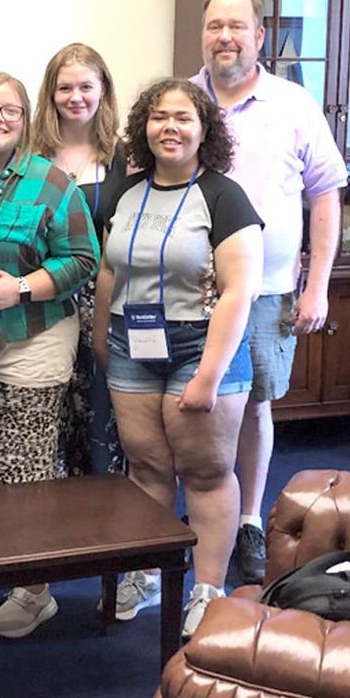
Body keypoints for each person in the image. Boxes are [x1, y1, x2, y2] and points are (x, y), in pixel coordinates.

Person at [93, 78, 263, 638]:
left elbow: (240, 290)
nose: (170, 127)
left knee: (206, 472)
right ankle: (148, 574)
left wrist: (210, 374)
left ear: (204, 130)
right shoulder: (129, 191)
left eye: (184, 118)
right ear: (144, 126)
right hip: (131, 345)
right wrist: (101, 338)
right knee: (145, 469)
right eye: (160, 117)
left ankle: (208, 590)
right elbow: (111, 272)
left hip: (200, 347)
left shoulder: (223, 195)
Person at [192, 0, 347, 584]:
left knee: (254, 403)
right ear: (201, 35)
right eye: (213, 26)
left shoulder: (294, 104)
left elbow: (325, 194)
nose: (224, 36)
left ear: (259, 36)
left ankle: (250, 519)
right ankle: (199, 517)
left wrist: (319, 285)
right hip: (188, 290)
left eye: (236, 26)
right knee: (189, 407)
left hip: (266, 292)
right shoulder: (181, 101)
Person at [0, 72, 99, 638]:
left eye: (10, 109)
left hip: (33, 336)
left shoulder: (51, 181)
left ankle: (35, 589)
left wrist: (22, 287)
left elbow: (83, 257)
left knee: (23, 466)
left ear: (26, 118)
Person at [33, 44, 129, 480]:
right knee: (50, 415)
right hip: (44, 301)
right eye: (65, 87)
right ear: (50, 94)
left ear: (103, 89)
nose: (76, 97)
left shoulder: (125, 158)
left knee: (101, 416)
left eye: (86, 86)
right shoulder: (30, 155)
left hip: (105, 304)